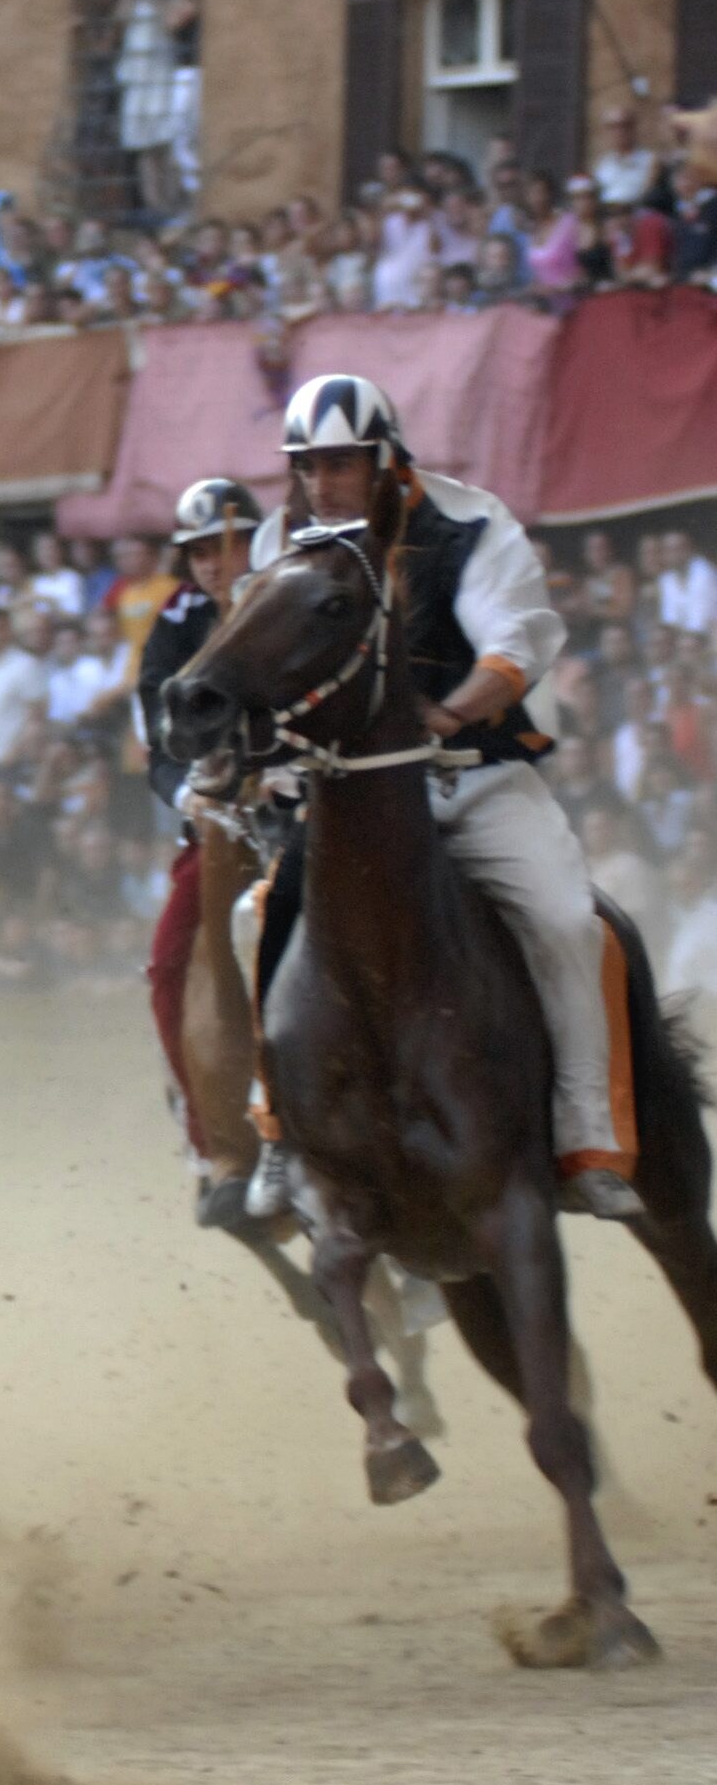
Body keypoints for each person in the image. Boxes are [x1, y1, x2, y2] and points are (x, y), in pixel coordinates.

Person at [246, 372, 635, 1220]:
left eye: (341, 463)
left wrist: (450, 710)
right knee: (260, 912)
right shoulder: (281, 539)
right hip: (353, 798)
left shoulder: (470, 523)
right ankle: (276, 1129)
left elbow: (515, 647)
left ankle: (587, 1134)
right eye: (308, 465)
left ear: (387, 459)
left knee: (569, 922)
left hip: (478, 776)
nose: (322, 483)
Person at [131, 478, 258, 1226]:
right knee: (169, 963)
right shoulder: (175, 622)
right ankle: (210, 1141)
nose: (217, 562)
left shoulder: (299, 589)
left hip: (308, 803)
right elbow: (158, 744)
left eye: (231, 544)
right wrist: (193, 797)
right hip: (216, 823)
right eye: (203, 550)